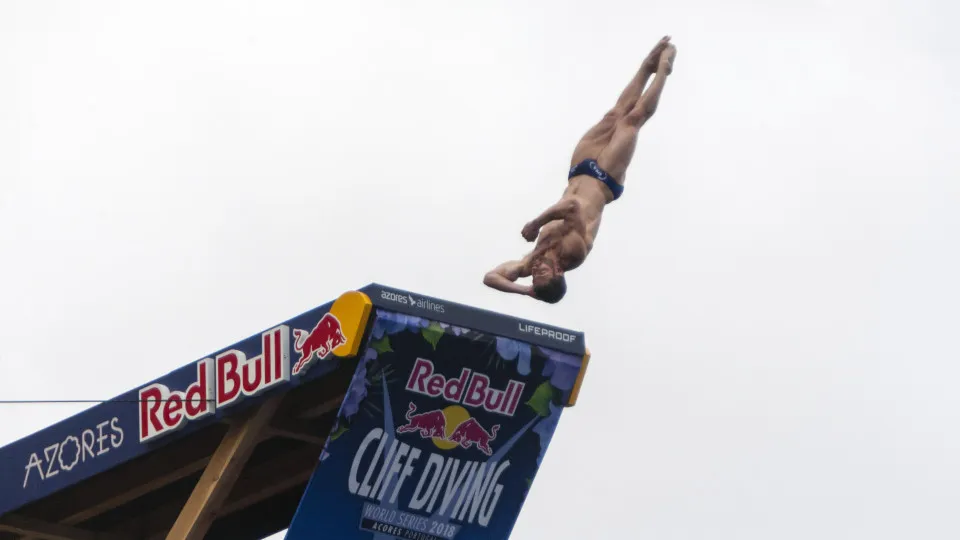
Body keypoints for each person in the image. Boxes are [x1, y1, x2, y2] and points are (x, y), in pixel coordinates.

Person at [483, 36, 677, 303]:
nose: (535, 271)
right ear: (558, 271)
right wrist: (535, 223)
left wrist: (526, 290)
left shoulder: (530, 261)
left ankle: (647, 66)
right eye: (542, 275)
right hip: (605, 181)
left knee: (614, 114)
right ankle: (664, 70)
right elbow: (573, 206)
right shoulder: (572, 252)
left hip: (578, 171)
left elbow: (490, 277)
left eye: (534, 277)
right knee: (632, 120)